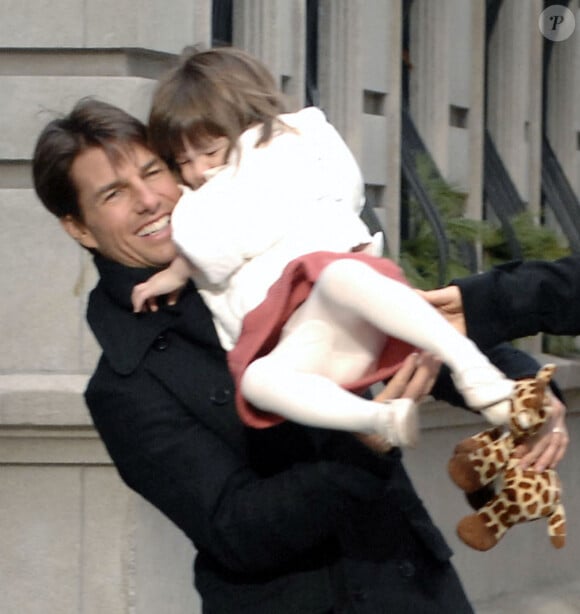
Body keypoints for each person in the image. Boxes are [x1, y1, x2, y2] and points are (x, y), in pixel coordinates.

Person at [32, 97, 566, 613]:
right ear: (78, 227)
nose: (149, 199)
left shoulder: (261, 246)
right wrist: (363, 445)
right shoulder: (125, 385)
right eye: (113, 194)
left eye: (154, 171)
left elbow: (406, 319)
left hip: (410, 584)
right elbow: (235, 529)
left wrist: (522, 386)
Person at [131, 46, 519, 450]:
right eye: (183, 161)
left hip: (349, 297)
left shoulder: (284, 151)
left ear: (251, 125)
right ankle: (379, 418)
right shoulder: (206, 200)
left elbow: (219, 239)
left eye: (209, 151)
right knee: (257, 382)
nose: (198, 170)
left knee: (338, 274)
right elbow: (214, 246)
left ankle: (470, 364)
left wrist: (181, 259)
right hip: (312, 340)